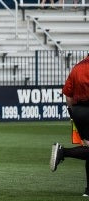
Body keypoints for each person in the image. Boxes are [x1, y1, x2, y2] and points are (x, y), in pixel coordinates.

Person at [51, 55, 89, 196]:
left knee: (88, 149)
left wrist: (73, 114)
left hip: (78, 112)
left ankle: (88, 190)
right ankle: (63, 152)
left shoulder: (77, 67)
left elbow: (68, 94)